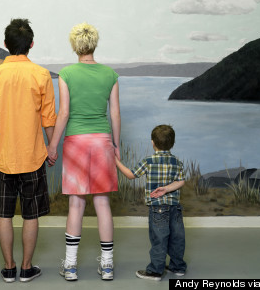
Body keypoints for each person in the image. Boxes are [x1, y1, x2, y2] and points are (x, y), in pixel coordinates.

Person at [0, 18, 57, 283]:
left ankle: (9, 268)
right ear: (31, 45)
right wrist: (52, 149)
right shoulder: (42, 75)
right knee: (31, 215)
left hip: (2, 158)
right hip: (33, 156)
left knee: (4, 215)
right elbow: (49, 118)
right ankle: (27, 268)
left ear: (5, 44)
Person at [47, 22, 121, 281]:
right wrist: (117, 144)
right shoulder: (110, 74)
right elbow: (114, 113)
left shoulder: (66, 74)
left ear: (74, 46)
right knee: (102, 203)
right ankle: (108, 266)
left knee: (76, 204)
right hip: (102, 141)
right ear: (94, 44)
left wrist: (52, 145)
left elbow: (64, 112)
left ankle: (70, 266)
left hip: (76, 143)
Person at [115, 124, 187, 281]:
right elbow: (181, 181)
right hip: (175, 207)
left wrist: (115, 161)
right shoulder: (176, 162)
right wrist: (167, 189)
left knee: (159, 239)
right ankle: (178, 267)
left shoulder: (149, 161)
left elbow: (130, 175)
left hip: (157, 208)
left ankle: (155, 271)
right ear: (173, 143)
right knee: (177, 237)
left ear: (152, 142)